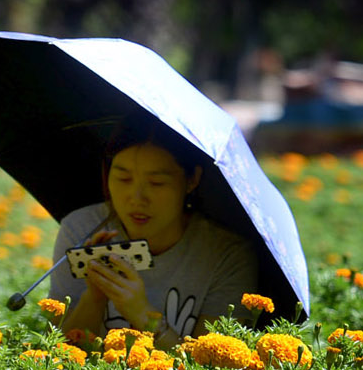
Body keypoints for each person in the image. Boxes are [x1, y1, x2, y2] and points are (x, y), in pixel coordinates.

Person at [51, 122, 260, 351]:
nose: (137, 197)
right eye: (123, 179)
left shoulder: (227, 255)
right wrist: (95, 297)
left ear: (192, 179)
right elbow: (58, 357)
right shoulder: (81, 230)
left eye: (156, 183)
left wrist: (144, 315)